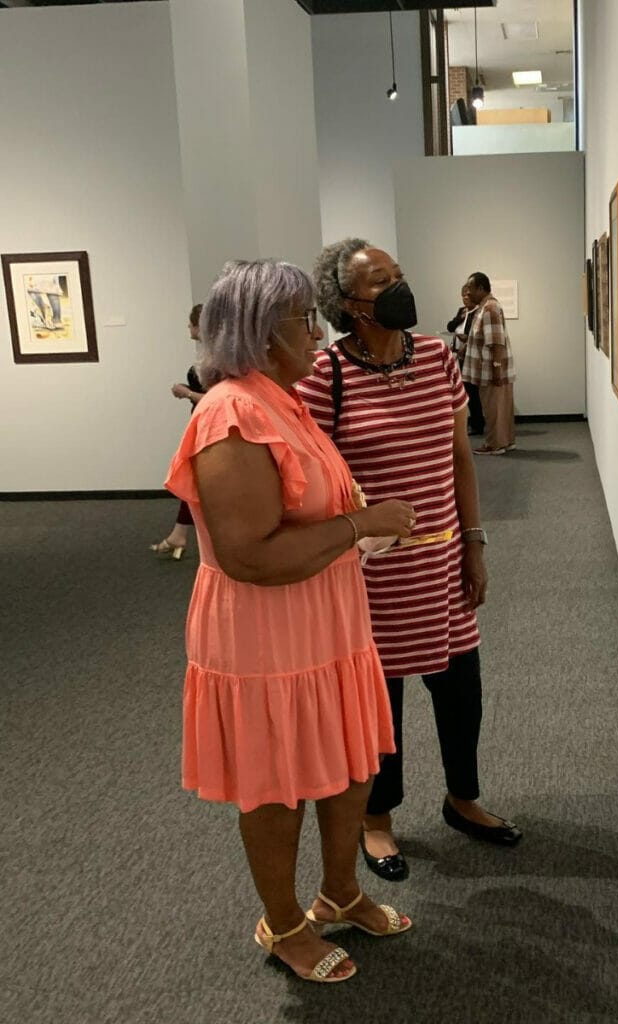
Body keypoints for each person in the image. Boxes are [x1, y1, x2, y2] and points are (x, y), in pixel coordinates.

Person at [164, 259, 414, 983]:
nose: (319, 332)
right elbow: (248, 554)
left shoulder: (284, 399)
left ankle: (339, 893)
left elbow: (313, 512)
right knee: (275, 784)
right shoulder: (230, 412)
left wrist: (362, 529)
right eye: (305, 320)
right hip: (266, 635)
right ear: (260, 330)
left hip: (326, 623)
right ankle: (282, 924)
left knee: (346, 761)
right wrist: (359, 523)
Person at [295, 238, 522, 884]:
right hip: (372, 574)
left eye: (399, 274)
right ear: (348, 304)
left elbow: (459, 457)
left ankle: (462, 797)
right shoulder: (326, 375)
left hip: (444, 561)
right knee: (378, 705)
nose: (400, 288)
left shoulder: (436, 358)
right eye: (382, 281)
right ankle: (377, 817)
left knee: (461, 693)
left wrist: (474, 542)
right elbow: (315, 481)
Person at [151, 304, 206, 560]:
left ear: (199, 326)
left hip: (207, 423)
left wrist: (187, 393)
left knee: (194, 478)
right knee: (192, 478)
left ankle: (180, 535)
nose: (188, 328)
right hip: (200, 420)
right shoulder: (210, 354)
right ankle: (179, 534)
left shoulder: (216, 358)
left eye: (191, 323)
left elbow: (219, 398)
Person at [461, 272, 516, 455]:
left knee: (494, 411)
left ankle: (494, 445)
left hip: (491, 372)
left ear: (481, 288)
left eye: (470, 289)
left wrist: (497, 371)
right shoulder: (485, 307)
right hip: (491, 371)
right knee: (501, 409)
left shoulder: (489, 309)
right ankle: (505, 442)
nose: (467, 293)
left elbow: (496, 344)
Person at [446, 284, 484, 435]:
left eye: (468, 296)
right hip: (459, 354)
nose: (465, 299)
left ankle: (477, 424)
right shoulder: (462, 312)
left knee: (472, 391)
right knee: (462, 389)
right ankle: (471, 423)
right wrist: (460, 318)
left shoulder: (478, 313)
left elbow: (476, 335)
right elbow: (450, 327)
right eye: (463, 296)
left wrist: (466, 338)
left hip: (471, 355)